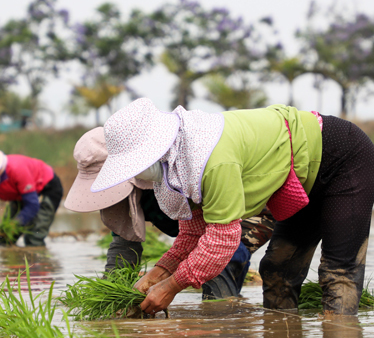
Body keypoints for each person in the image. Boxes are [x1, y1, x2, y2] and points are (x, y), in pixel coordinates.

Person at [90, 97, 374, 316]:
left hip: (342, 158)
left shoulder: (212, 158)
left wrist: (170, 287)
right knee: (278, 270)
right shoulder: (180, 166)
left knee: (337, 272)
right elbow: (193, 235)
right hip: (300, 179)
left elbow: (221, 242)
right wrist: (160, 271)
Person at [64, 127, 274, 299]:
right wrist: (109, 297)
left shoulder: (172, 175)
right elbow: (123, 250)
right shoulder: (119, 201)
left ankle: (224, 325)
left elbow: (218, 238)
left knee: (220, 263)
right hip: (199, 235)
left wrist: (171, 285)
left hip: (244, 213)